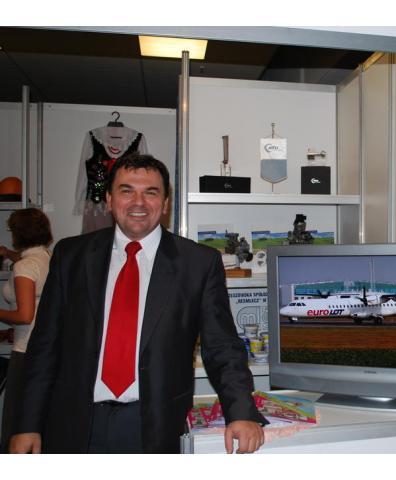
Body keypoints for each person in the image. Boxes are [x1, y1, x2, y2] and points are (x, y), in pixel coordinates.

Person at [9, 154, 267, 454]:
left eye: (151, 192)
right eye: (127, 190)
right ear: (109, 199)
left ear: (166, 203)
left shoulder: (198, 263)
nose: (138, 202)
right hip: (74, 422)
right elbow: (44, 346)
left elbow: (222, 346)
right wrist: (26, 423)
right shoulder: (71, 256)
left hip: (153, 426)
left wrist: (241, 412)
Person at [0, 208, 52, 452]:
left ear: (17, 234)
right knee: (38, 423)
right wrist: (9, 255)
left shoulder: (25, 267)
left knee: (16, 424)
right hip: (45, 349)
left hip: (25, 351)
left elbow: (24, 315)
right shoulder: (49, 257)